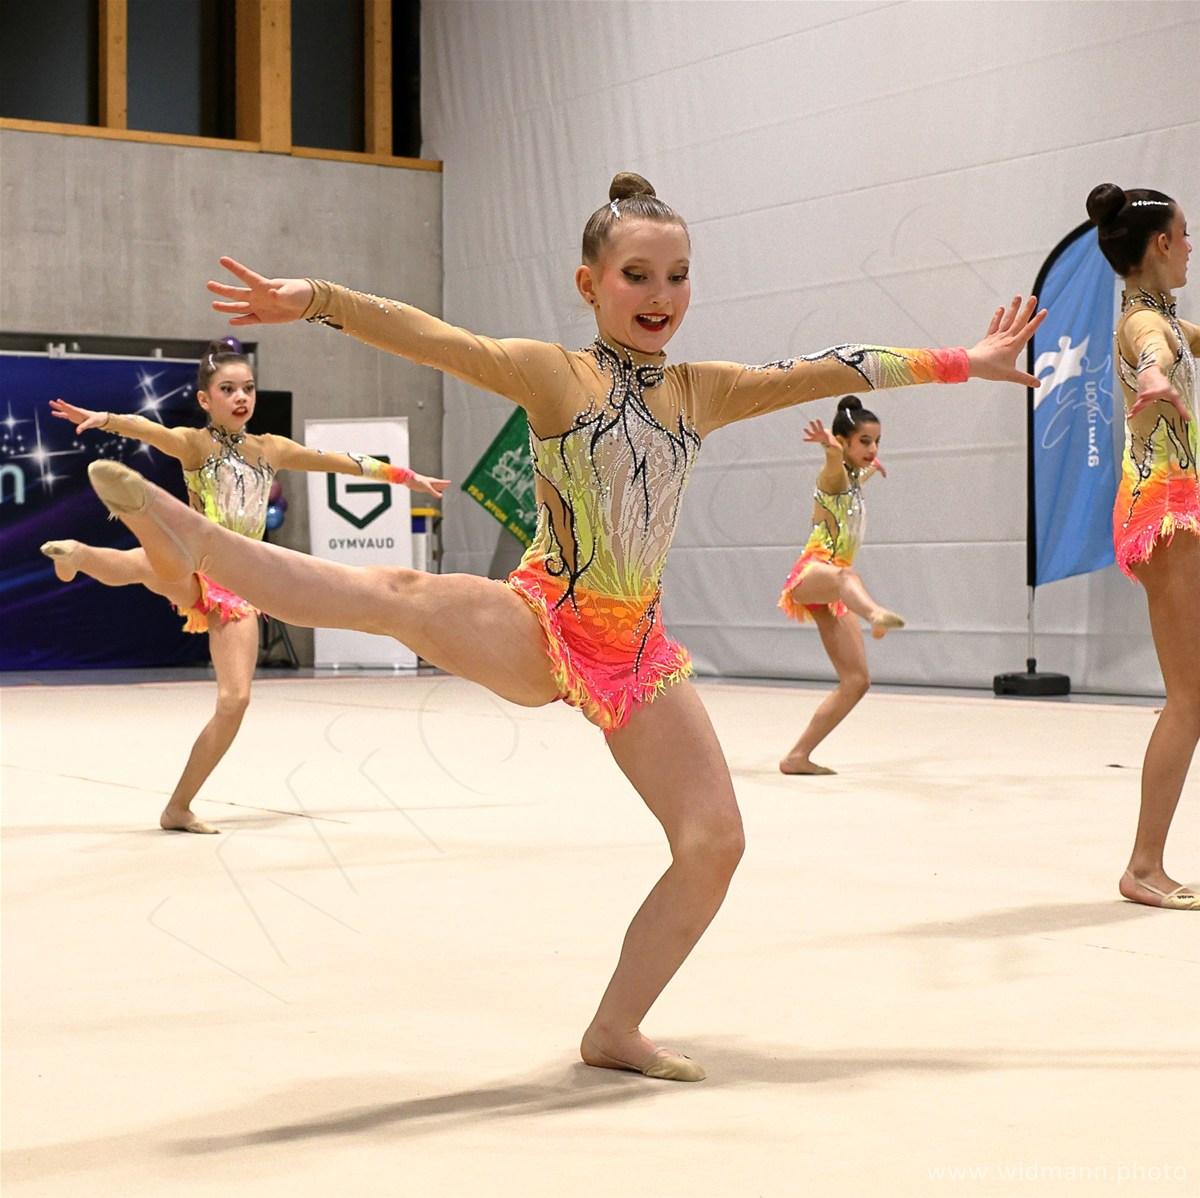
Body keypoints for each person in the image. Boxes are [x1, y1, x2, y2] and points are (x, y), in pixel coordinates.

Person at [85, 171, 1045, 1077]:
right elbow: (435, 339)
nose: (660, 296)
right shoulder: (556, 377)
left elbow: (835, 367)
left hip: (638, 652)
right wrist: (317, 300)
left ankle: (614, 1028)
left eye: (677, 276)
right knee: (396, 595)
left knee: (715, 841)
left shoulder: (702, 390)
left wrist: (965, 362)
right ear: (590, 285)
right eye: (637, 276)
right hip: (544, 620)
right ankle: (193, 536)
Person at [42, 342, 448, 834]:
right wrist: (105, 419)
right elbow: (150, 430)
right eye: (228, 389)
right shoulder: (194, 445)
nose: (241, 398)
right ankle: (95, 545)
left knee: (228, 691)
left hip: (239, 580)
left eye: (248, 389)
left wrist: (405, 476)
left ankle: (177, 806)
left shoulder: (269, 449)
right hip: (202, 565)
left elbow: (339, 461)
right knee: (153, 569)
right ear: (205, 399)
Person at [1087, 182, 1199, 911]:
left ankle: (1147, 860)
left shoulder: (1161, 316)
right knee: (1189, 698)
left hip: (1175, 505)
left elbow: (1179, 341)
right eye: (1185, 235)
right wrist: (1154, 378)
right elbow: (1152, 352)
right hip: (1165, 514)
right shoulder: (1143, 324)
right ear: (1160, 243)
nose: (1190, 247)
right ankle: (1144, 866)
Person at [778, 397, 893, 775]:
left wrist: (871, 466)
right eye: (865, 441)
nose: (873, 449)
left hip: (834, 590)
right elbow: (834, 467)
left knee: (856, 681)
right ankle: (874, 614)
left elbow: (856, 475)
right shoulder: (834, 476)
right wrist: (830, 448)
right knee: (847, 578)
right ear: (844, 442)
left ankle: (797, 757)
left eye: (877, 441)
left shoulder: (854, 477)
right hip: (813, 574)